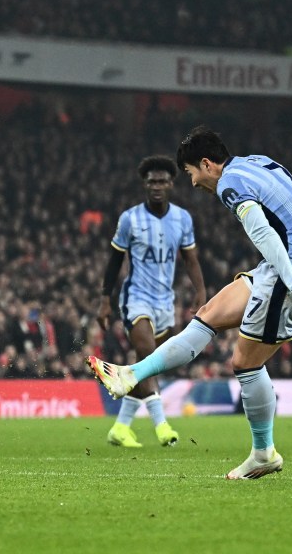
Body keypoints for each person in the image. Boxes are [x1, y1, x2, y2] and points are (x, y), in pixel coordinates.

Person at [88, 126, 292, 479]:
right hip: (288, 262)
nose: (193, 183)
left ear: (206, 164)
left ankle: (263, 453)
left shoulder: (230, 184)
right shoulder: (256, 163)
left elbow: (261, 231)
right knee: (208, 316)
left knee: (245, 363)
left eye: (191, 174)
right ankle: (131, 374)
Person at [96, 156, 206, 448]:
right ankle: (161, 425)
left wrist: (201, 293)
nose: (157, 186)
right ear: (145, 185)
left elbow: (191, 259)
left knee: (146, 366)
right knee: (146, 353)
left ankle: (120, 428)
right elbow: (114, 260)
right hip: (136, 298)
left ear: (171, 184)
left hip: (165, 303)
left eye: (162, 181)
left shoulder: (183, 219)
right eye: (151, 181)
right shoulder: (130, 219)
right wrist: (105, 301)